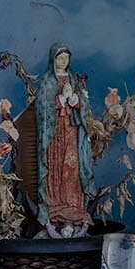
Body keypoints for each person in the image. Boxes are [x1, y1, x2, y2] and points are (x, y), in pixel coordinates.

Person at [34, 44, 96, 233]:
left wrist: (76, 100)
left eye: (66, 58)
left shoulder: (73, 79)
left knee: (72, 169)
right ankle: (53, 213)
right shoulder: (47, 81)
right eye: (60, 58)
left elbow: (84, 105)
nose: (63, 61)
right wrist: (60, 98)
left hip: (71, 130)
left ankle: (73, 211)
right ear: (53, 59)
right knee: (54, 168)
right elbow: (41, 108)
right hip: (53, 134)